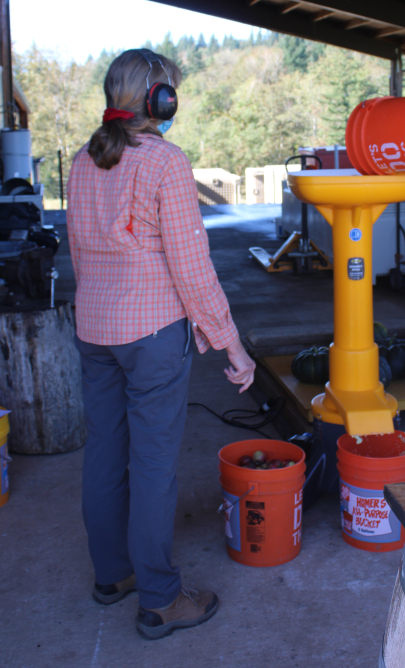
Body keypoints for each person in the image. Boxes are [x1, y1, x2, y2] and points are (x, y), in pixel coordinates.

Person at [66, 48, 255, 640]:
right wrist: (232, 345)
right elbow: (192, 269)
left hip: (94, 330)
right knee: (152, 466)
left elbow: (77, 251)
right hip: (150, 336)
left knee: (104, 453)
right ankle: (160, 599)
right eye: (171, 91)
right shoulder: (166, 162)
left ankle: (113, 575)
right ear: (159, 100)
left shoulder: (81, 159)